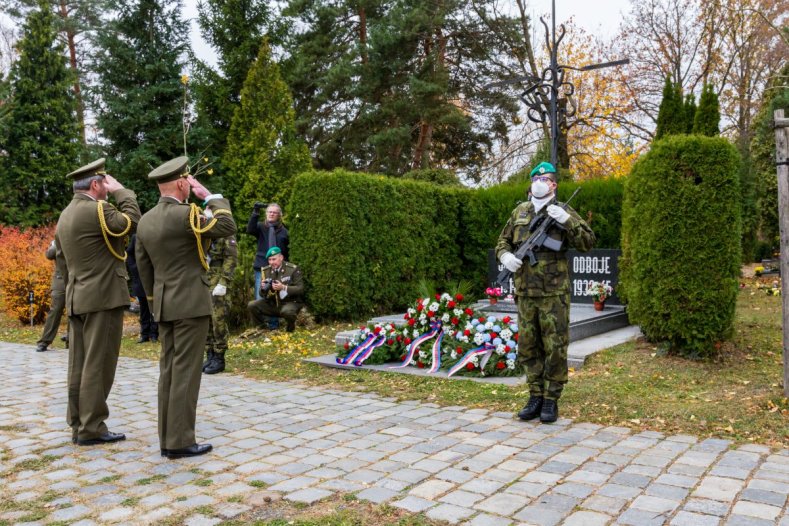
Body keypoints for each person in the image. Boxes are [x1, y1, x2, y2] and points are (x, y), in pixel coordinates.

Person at [135, 156, 236, 459]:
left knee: (168, 370)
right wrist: (211, 197)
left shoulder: (146, 220)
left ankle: (168, 436)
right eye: (188, 181)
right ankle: (179, 440)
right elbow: (227, 225)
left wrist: (155, 302)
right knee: (186, 372)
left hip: (165, 304)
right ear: (182, 183)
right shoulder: (188, 215)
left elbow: (144, 266)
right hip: (191, 302)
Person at [496, 161, 595, 424]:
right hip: (526, 292)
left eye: (546, 179)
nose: (540, 182)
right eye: (535, 179)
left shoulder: (564, 211)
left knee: (555, 347)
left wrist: (569, 222)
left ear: (554, 185)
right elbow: (502, 241)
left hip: (554, 294)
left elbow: (587, 243)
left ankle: (551, 399)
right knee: (528, 347)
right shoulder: (520, 211)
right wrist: (506, 256)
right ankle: (535, 395)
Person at [55, 158, 140, 445]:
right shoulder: (98, 209)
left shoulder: (66, 214)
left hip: (78, 295)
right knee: (99, 363)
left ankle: (79, 423)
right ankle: (92, 427)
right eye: (104, 181)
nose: (107, 185)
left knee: (78, 363)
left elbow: (62, 261)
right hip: (102, 296)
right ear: (95, 184)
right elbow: (131, 222)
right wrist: (123, 191)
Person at [246, 202, 289, 328]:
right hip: (262, 267)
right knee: (261, 295)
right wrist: (255, 212)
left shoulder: (284, 232)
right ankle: (260, 325)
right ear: (266, 213)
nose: (271, 214)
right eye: (269, 212)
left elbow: (286, 251)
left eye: (274, 212)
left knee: (275, 296)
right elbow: (250, 230)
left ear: (279, 215)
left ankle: (273, 325)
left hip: (278, 268)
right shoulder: (260, 227)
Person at [247, 247, 304, 333]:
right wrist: (263, 288)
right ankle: (261, 329)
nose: (271, 262)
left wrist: (283, 287)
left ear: (281, 258)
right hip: (274, 304)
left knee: (287, 312)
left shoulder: (292, 269)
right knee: (252, 305)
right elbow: (262, 295)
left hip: (291, 302)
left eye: (274, 259)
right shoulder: (266, 271)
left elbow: (300, 289)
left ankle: (290, 328)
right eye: (269, 260)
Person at [203, 235, 238, 375]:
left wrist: (223, 282)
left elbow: (232, 259)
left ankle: (219, 357)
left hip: (218, 281)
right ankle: (209, 354)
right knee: (206, 319)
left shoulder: (226, 234)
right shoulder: (203, 231)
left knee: (218, 320)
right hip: (204, 279)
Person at [36, 240, 68, 353]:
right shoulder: (57, 241)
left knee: (75, 310)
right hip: (60, 280)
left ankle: (71, 339)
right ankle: (44, 341)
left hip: (78, 279)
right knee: (55, 310)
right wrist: (58, 243)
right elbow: (49, 255)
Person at [126, 233, 158, 344]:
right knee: (144, 308)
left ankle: (154, 334)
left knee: (155, 307)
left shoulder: (157, 234)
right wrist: (134, 268)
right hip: (140, 278)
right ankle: (145, 334)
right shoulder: (136, 236)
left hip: (155, 276)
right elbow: (129, 254)